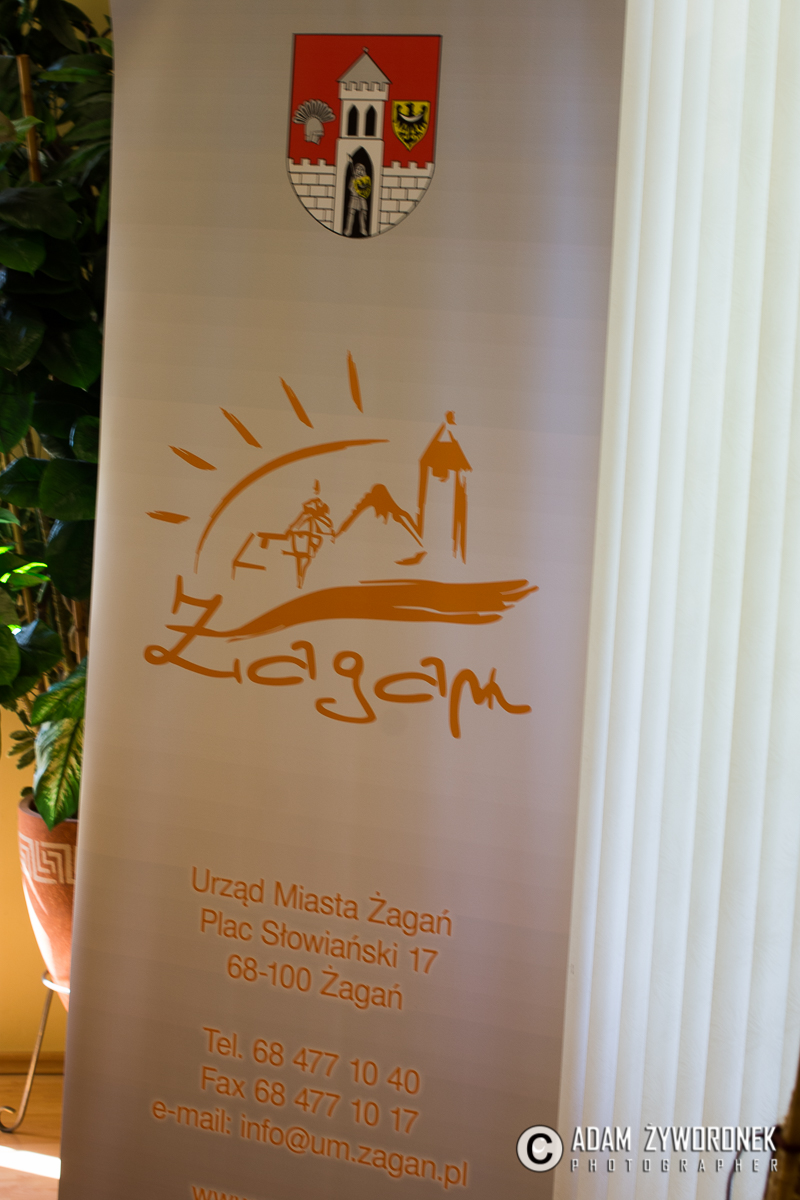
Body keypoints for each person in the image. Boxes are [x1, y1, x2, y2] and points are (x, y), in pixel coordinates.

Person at [345, 162, 371, 236]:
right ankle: (348, 229)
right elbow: (350, 187)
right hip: (354, 198)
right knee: (351, 214)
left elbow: (366, 188)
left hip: (362, 199)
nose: (359, 171)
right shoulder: (353, 178)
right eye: (358, 169)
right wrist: (354, 182)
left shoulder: (366, 179)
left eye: (361, 169)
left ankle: (363, 229)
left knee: (363, 214)